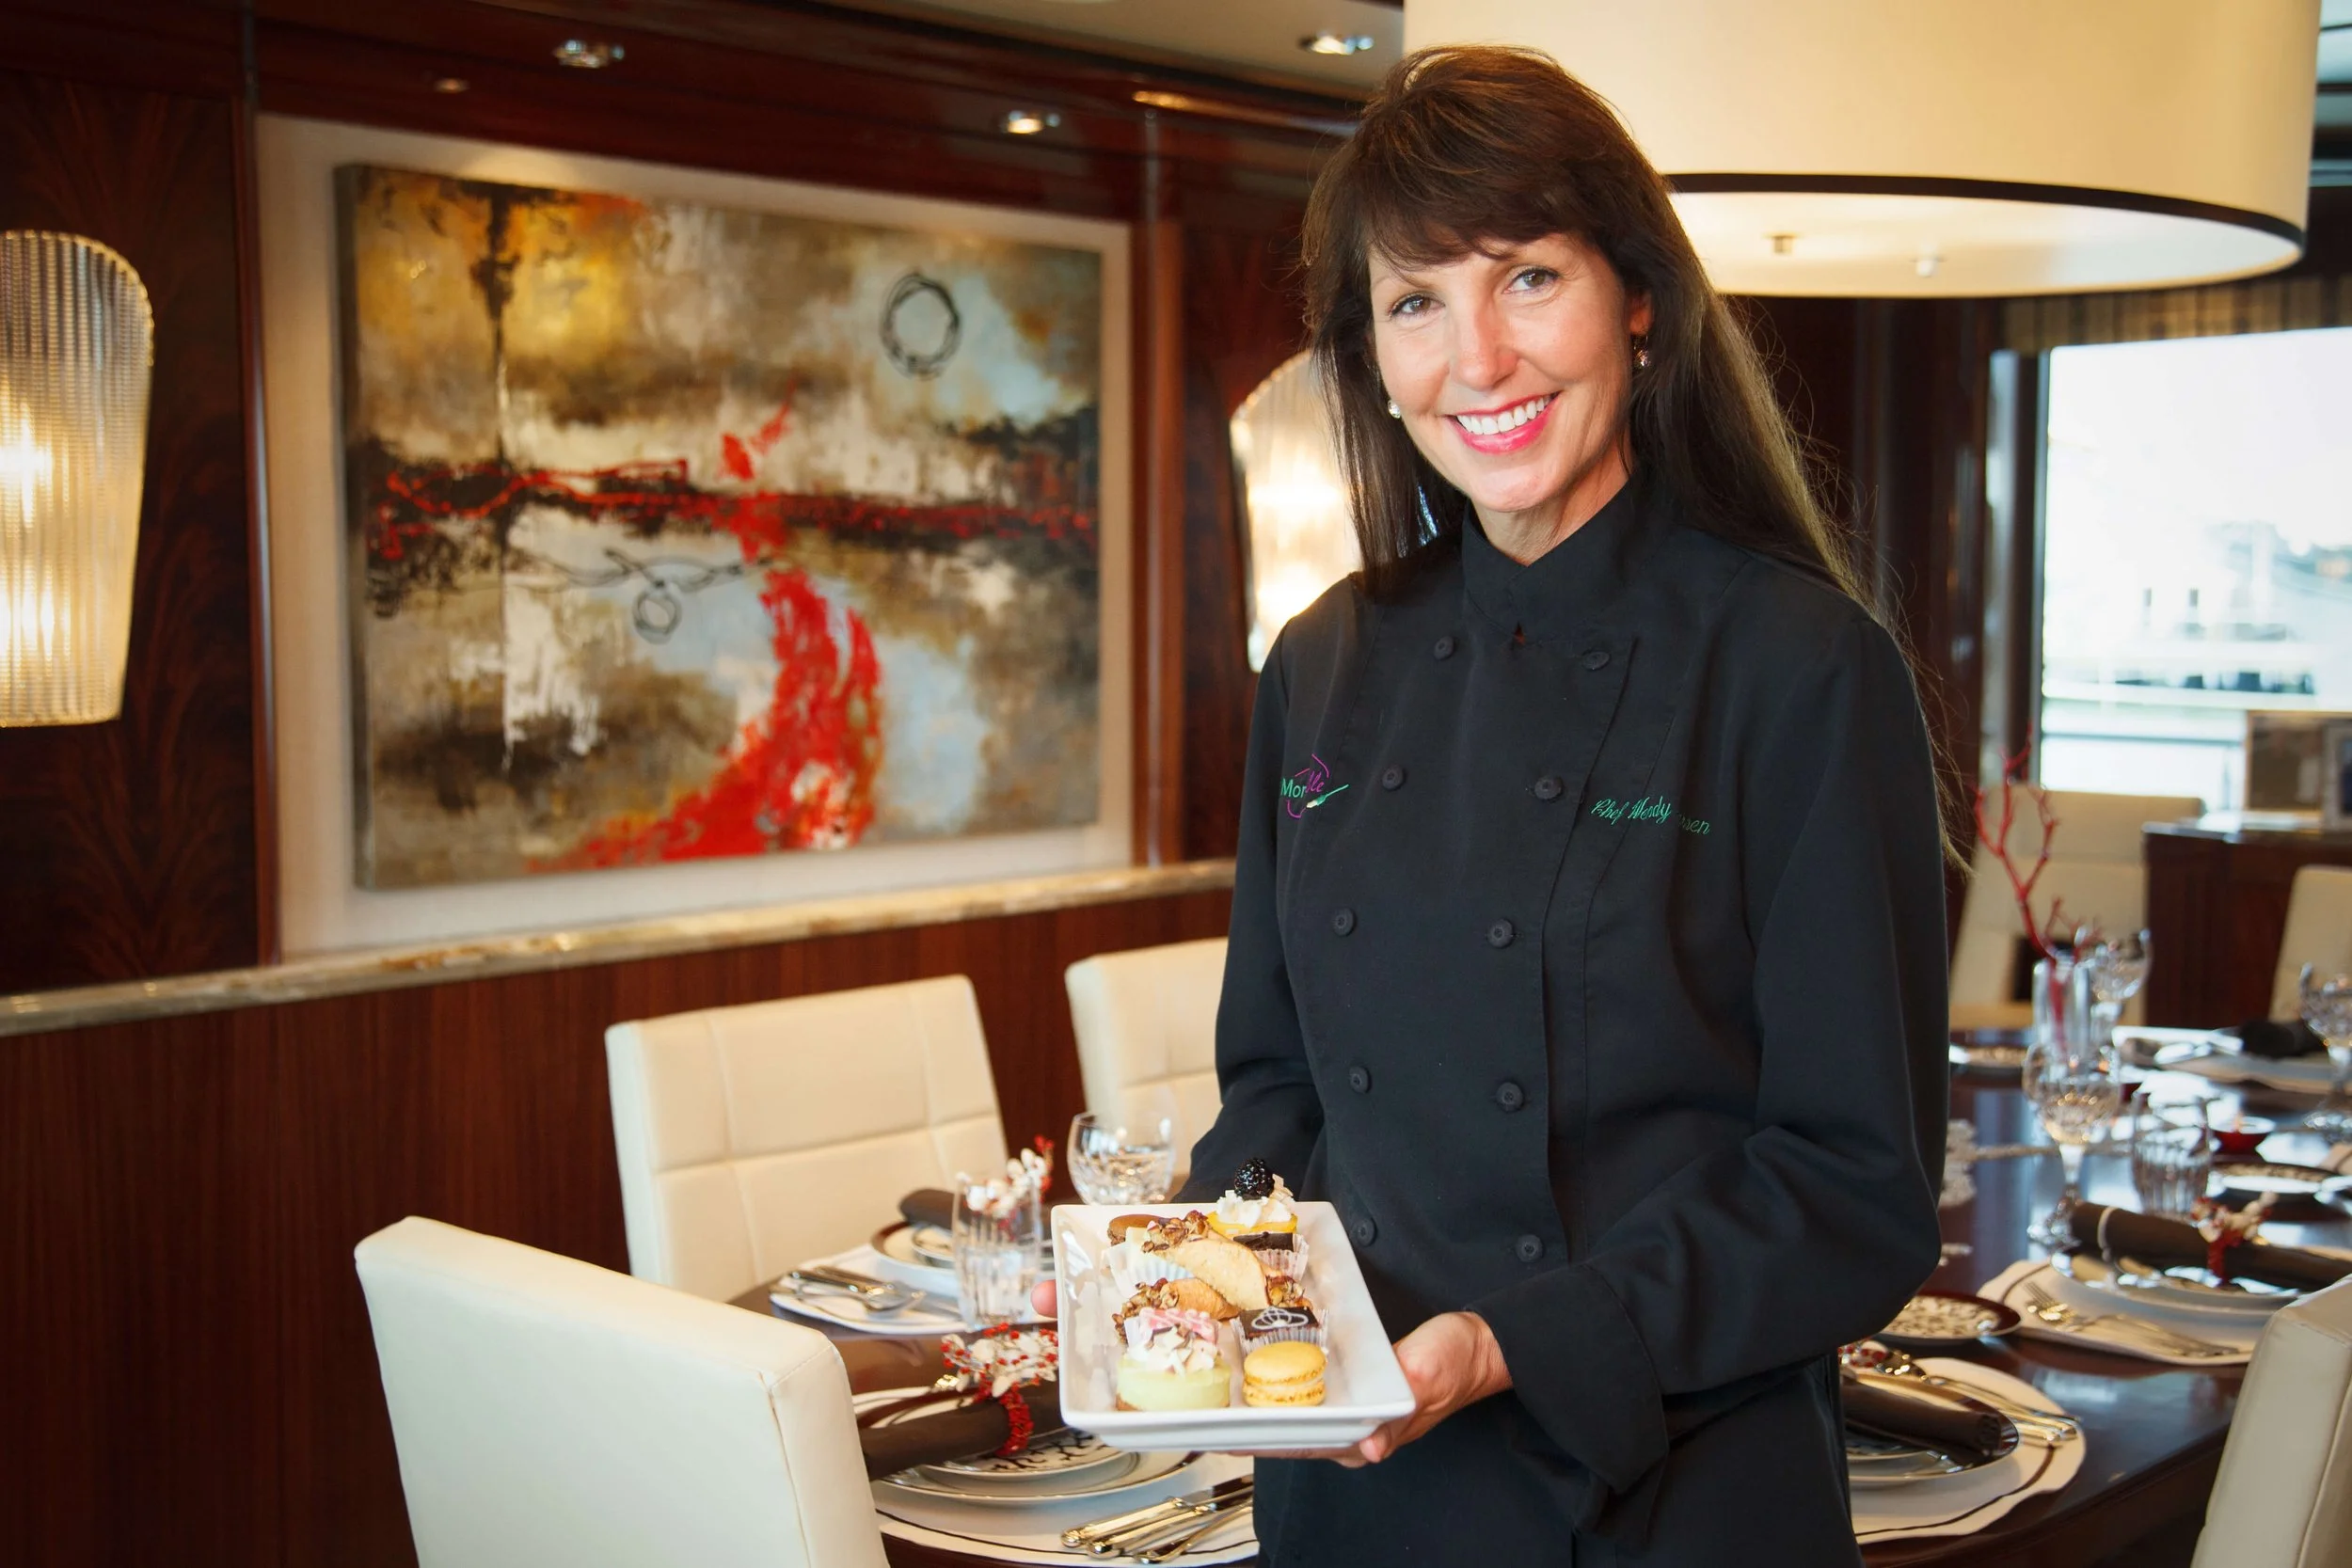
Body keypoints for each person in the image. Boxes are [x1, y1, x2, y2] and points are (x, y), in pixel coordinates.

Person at [1171, 44, 1952, 1566]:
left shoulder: (1799, 669)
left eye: (1526, 277)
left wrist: (1512, 1337)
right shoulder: (1321, 661)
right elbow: (1275, 1085)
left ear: (1638, 299)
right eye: (1415, 304)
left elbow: (1854, 1185)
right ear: (1371, 361)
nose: (1479, 359)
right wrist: (1194, 1274)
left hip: (1669, 1488)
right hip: (1353, 1481)